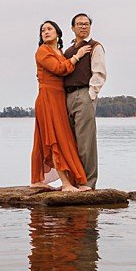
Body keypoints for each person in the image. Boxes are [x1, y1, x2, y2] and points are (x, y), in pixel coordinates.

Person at [32, 20, 92, 192]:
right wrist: (77, 55)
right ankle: (65, 183)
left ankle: (37, 179)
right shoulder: (42, 51)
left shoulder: (58, 51)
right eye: (43, 30)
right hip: (47, 97)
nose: (46, 32)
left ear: (57, 33)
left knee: (46, 139)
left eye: (49, 29)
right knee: (54, 138)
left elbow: (65, 70)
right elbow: (59, 69)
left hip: (59, 97)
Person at [61, 13, 106, 189]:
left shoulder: (95, 47)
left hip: (83, 94)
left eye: (86, 24)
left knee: (85, 141)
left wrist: (91, 94)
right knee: (71, 141)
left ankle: (88, 182)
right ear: (72, 28)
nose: (83, 27)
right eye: (79, 24)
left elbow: (99, 73)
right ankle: (74, 180)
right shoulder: (68, 51)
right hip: (67, 96)